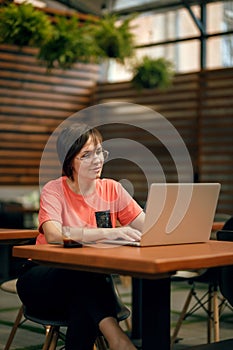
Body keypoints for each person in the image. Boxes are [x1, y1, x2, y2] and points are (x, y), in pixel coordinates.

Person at [16, 122, 145, 350]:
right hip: (42, 279)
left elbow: (148, 227)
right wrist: (110, 233)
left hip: (85, 285)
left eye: (99, 152)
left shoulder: (112, 189)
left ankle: (118, 341)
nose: (97, 160)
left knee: (85, 292)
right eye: (86, 155)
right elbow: (54, 235)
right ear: (69, 161)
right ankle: (117, 337)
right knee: (84, 273)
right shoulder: (54, 190)